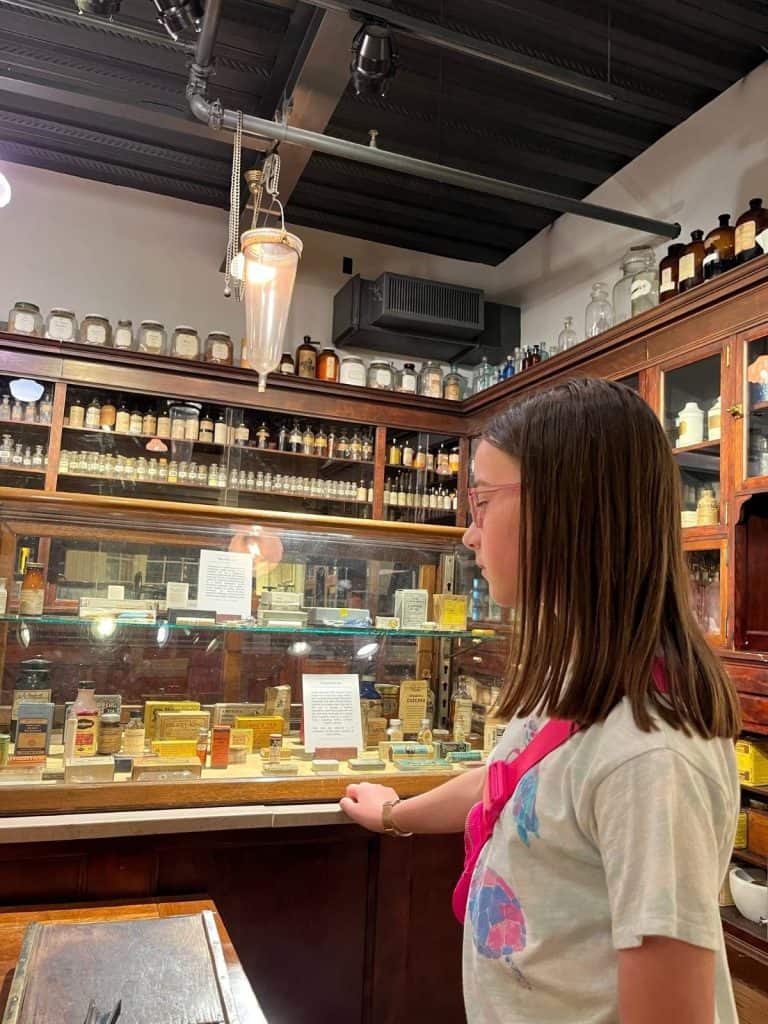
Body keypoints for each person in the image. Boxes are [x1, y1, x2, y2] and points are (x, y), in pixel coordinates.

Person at [341, 379, 741, 1024]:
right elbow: (513, 782)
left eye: (481, 503)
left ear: (565, 510)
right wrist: (396, 814)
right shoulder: (587, 678)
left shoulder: (650, 758)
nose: (469, 536)